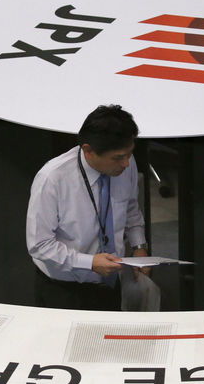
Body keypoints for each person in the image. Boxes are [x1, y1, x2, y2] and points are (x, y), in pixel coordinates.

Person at [26, 104, 149, 310]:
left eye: (129, 154)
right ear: (88, 151)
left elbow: (130, 209)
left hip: (110, 283)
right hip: (65, 289)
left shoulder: (126, 163)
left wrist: (139, 247)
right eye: (118, 158)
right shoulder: (52, 179)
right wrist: (90, 263)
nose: (126, 164)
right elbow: (40, 245)